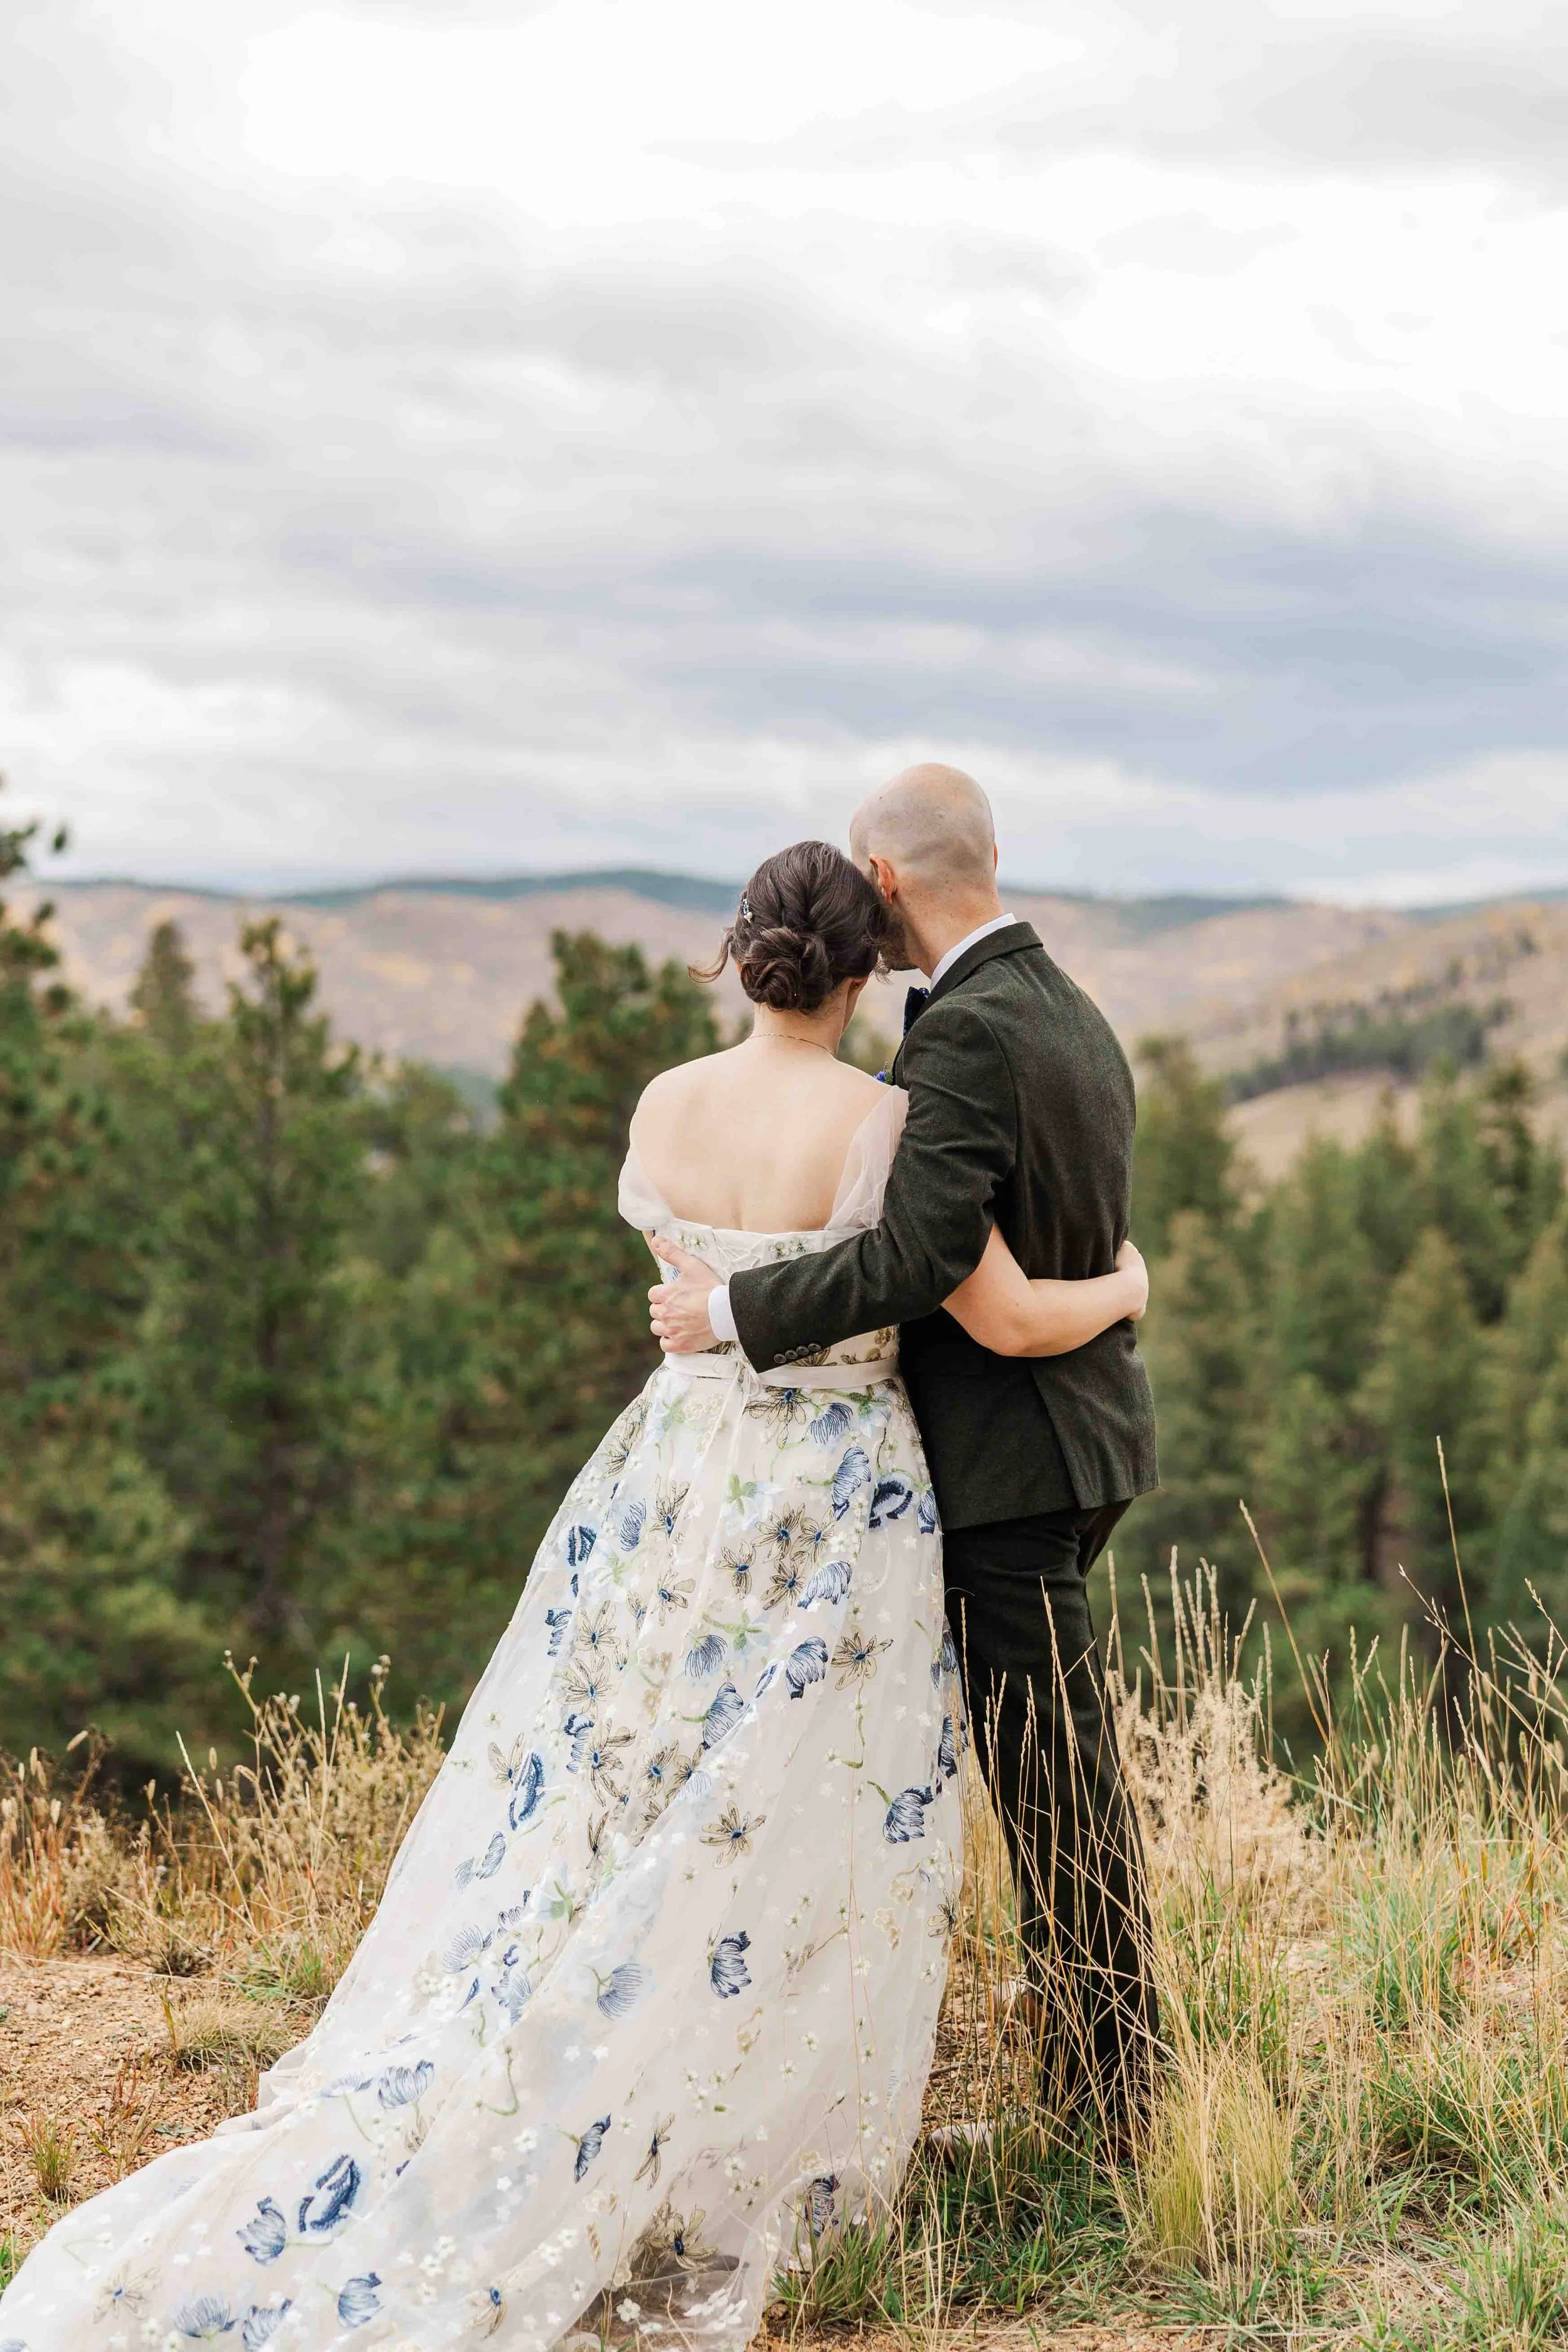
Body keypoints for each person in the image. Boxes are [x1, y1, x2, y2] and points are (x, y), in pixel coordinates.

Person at [0, 840, 1145, 2352]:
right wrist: (1125, 1287)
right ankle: (746, 2111)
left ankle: (585, 2052)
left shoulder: (662, 1106)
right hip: (824, 1503)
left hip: (672, 1482)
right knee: (792, 1815)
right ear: (862, 975)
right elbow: (985, 1305)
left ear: (740, 961)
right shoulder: (882, 1120)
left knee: (626, 1781)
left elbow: (686, 1285)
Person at [650, 771, 1162, 2127]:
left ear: (881, 879)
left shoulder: (971, 1035)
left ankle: (1114, 2102)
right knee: (1052, 1770)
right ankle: (1086, 2053)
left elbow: (924, 1257)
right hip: (1077, 1439)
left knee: (1055, 1791)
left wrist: (729, 1308)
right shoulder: (1061, 1007)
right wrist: (1120, 1295)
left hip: (1012, 1466)